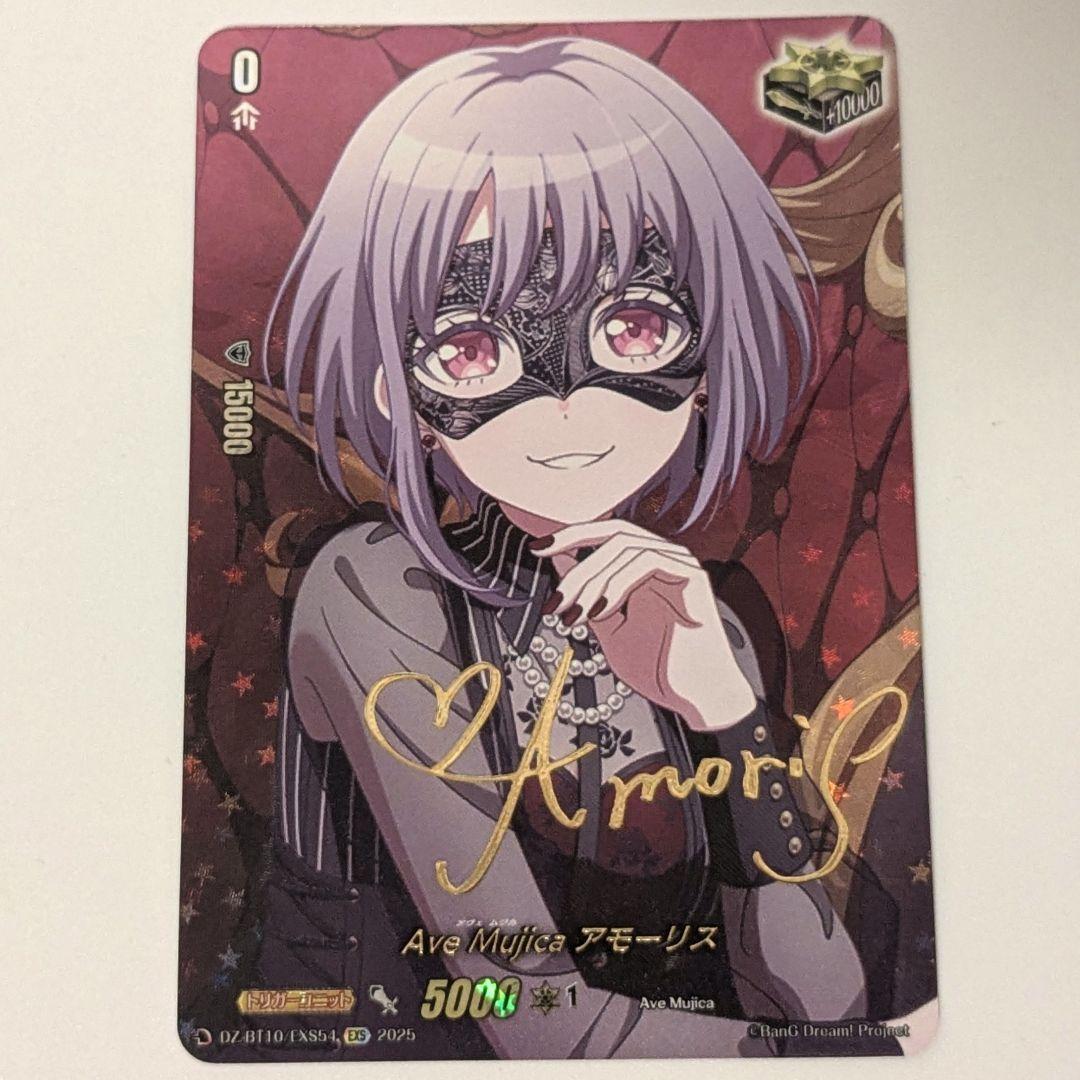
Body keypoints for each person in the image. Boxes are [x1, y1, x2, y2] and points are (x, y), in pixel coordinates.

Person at [258, 37, 880, 1058]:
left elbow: (825, 998)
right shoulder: (375, 591)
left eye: (632, 328)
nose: (564, 406)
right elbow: (531, 1019)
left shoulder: (703, 617)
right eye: (472, 347)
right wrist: (829, 1060)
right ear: (399, 396)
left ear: (707, 360)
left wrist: (728, 720)